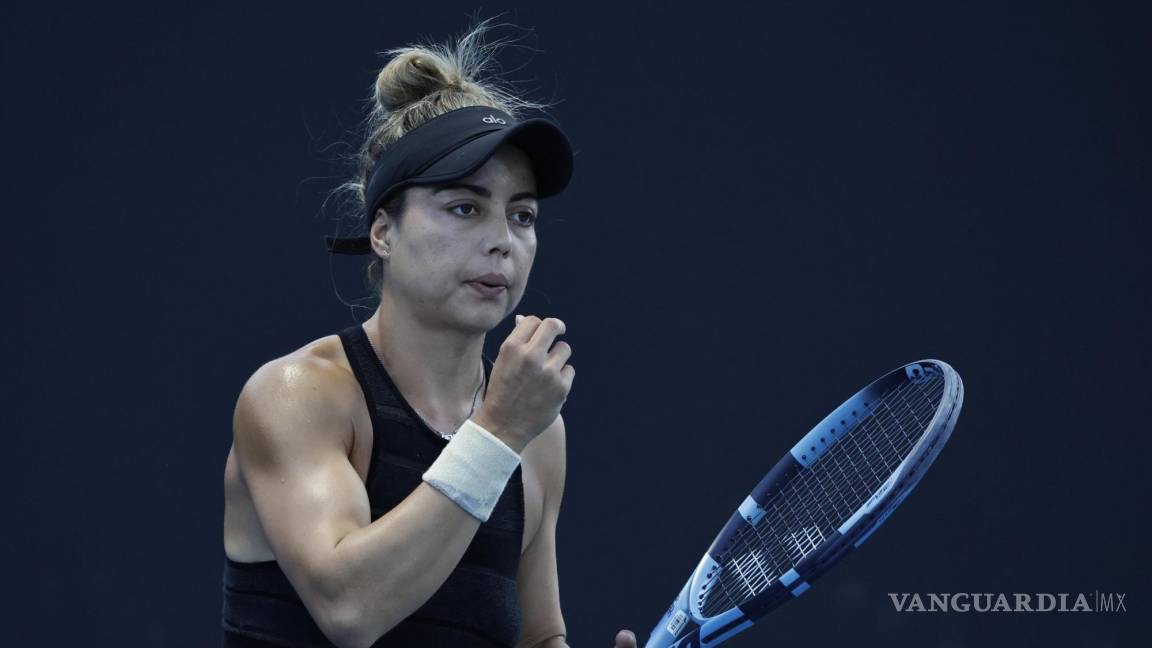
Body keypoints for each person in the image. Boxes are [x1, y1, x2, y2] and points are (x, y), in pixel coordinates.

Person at [221, 20, 639, 648]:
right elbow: (350, 609)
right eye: (465, 207)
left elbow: (539, 635)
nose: (503, 238)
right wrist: (496, 433)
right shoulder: (296, 396)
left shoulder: (537, 434)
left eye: (521, 215)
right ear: (383, 232)